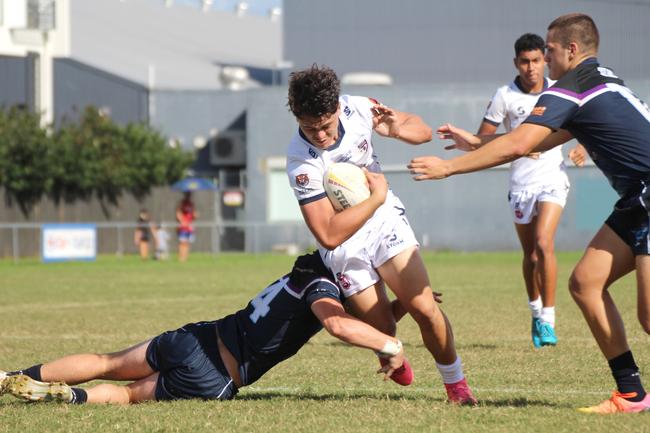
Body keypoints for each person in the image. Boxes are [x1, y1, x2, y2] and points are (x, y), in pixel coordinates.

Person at [408, 13, 650, 413]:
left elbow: (523, 144)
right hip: (637, 200)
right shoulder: (599, 79)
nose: (545, 61)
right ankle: (631, 393)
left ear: (570, 50)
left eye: (550, 51)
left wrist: (448, 167)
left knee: (648, 316)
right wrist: (479, 142)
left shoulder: (571, 86)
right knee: (586, 283)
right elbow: (542, 138)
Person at [286, 65, 477, 404]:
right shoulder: (301, 160)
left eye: (325, 126)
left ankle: (457, 386)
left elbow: (422, 132)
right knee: (383, 331)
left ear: (335, 109)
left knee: (424, 309)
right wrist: (373, 198)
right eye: (308, 127)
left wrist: (396, 127)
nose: (318, 135)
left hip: (384, 220)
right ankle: (399, 317)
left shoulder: (358, 108)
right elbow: (328, 235)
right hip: (345, 242)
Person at [0, 252, 418, 405]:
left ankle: (12, 378)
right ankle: (69, 398)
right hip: (214, 374)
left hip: (196, 337)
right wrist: (391, 344)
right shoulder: (324, 290)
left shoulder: (309, 269)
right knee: (126, 395)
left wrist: (402, 307)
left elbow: (355, 318)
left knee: (105, 361)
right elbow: (340, 326)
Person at [475, 33, 587, 348]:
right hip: (521, 183)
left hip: (553, 178)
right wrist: (519, 148)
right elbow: (483, 139)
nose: (531, 67)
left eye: (536, 60)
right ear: (516, 63)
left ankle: (549, 320)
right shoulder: (504, 96)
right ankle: (536, 312)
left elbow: (585, 123)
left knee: (544, 243)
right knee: (530, 256)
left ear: (545, 61)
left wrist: (582, 147)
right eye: (524, 61)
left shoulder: (559, 91)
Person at [176, 192, 196, 262]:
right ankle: (181, 258)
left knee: (187, 243)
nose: (189, 196)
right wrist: (182, 221)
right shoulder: (182, 203)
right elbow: (178, 213)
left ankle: (185, 258)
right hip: (183, 227)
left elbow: (193, 215)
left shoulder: (191, 204)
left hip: (189, 227)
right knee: (182, 242)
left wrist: (195, 215)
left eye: (190, 195)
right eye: (188, 195)